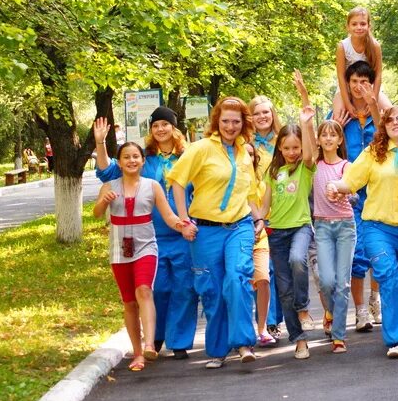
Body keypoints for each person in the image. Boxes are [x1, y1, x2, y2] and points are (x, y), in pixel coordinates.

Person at [93, 107, 199, 360]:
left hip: (183, 233)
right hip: (150, 237)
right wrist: (100, 144)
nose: (161, 129)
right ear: (151, 131)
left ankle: (180, 341)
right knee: (157, 288)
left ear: (175, 128)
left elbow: (203, 187)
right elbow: (107, 172)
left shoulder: (188, 157)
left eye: (166, 124)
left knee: (185, 288)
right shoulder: (144, 160)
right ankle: (157, 335)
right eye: (156, 125)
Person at [167, 97, 262, 368]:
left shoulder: (246, 151)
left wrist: (258, 221)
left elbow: (250, 192)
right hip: (206, 231)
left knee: (237, 278)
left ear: (243, 123)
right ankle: (219, 350)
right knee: (212, 290)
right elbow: (176, 182)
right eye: (225, 121)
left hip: (240, 226)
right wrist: (184, 221)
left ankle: (243, 343)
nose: (231, 126)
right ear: (216, 122)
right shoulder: (200, 149)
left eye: (236, 121)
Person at [327, 106, 398, 359]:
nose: (395, 122)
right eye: (390, 119)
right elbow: (350, 181)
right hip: (377, 227)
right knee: (387, 274)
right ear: (383, 126)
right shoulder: (373, 153)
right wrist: (335, 186)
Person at [259, 108, 317, 360]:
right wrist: (260, 220)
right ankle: (299, 340)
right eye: (287, 148)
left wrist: (305, 125)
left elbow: (310, 152)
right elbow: (265, 203)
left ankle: (303, 309)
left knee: (298, 259)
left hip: (301, 226)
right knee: (283, 289)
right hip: (277, 232)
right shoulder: (273, 173)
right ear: (280, 149)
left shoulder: (305, 168)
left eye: (296, 147)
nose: (292, 152)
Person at [336, 60, 383, 332]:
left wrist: (374, 105)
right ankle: (360, 310)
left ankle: (375, 298)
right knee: (357, 255)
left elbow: (386, 139)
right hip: (350, 195)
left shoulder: (380, 114)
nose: (358, 87)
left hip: (377, 193)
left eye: (364, 81)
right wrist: (336, 126)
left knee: (377, 250)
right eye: (353, 81)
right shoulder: (342, 116)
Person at [311, 118, 356, 353]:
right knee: (327, 281)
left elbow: (350, 185)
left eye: (333, 135)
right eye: (324, 135)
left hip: (346, 227)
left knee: (343, 284)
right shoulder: (313, 164)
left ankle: (339, 336)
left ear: (340, 140)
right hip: (322, 228)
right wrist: (307, 118)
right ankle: (329, 311)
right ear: (318, 140)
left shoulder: (346, 165)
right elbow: (307, 138)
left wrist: (338, 187)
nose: (328, 138)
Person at [248, 95, 284, 343]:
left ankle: (275, 320)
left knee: (279, 270)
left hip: (281, 210)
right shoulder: (245, 144)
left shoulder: (283, 140)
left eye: (266, 112)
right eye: (257, 113)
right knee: (262, 271)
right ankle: (266, 322)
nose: (263, 117)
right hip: (256, 212)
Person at [332, 6, 392, 122]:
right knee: (338, 118)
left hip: (370, 86)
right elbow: (340, 76)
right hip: (347, 86)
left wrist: (372, 101)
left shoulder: (375, 46)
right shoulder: (342, 46)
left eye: (362, 24)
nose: (358, 27)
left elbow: (378, 74)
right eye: (354, 24)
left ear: (369, 26)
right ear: (348, 27)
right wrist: (348, 103)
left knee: (390, 112)